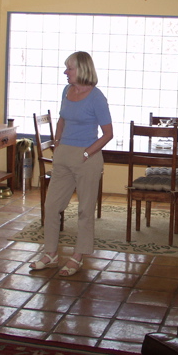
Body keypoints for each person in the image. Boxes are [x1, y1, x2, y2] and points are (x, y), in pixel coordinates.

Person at [29, 51, 113, 277]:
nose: (65, 72)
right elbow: (62, 119)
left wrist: (86, 153)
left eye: (69, 68)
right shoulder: (67, 91)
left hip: (87, 158)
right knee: (51, 206)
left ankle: (78, 256)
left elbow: (108, 134)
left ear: (83, 70)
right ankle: (50, 254)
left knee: (85, 210)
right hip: (64, 155)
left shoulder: (97, 97)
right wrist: (57, 144)